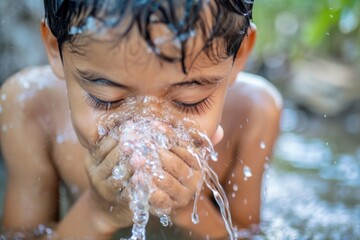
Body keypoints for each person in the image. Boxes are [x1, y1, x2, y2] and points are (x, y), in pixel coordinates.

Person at [0, 0, 282, 239]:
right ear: (55, 49)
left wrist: (187, 210)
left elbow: (247, 232)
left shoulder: (253, 111)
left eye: (189, 101)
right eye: (106, 98)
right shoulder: (30, 107)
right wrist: (97, 212)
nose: (148, 125)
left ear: (239, 54)